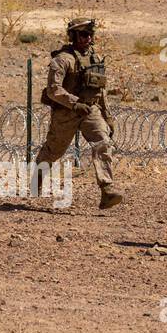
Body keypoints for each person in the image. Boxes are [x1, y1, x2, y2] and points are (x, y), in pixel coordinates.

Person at [34, 17, 124, 210]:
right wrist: (74, 104)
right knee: (53, 151)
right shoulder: (62, 59)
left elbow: (100, 91)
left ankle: (107, 189)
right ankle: (38, 176)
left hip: (90, 111)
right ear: (73, 36)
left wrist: (108, 118)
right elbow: (53, 90)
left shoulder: (95, 58)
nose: (88, 38)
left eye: (90, 34)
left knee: (103, 142)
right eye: (83, 34)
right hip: (66, 112)